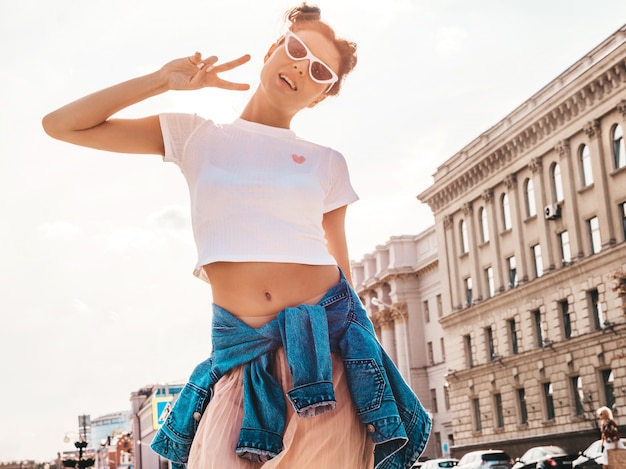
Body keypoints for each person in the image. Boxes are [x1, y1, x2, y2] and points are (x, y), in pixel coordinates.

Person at [42, 3, 431, 468]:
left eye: (320, 71)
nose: (301, 68)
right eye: (296, 49)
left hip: (325, 363)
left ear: (320, 97)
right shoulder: (195, 134)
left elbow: (340, 265)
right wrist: (163, 80)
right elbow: (62, 125)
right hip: (240, 360)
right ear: (272, 50)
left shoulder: (327, 162)